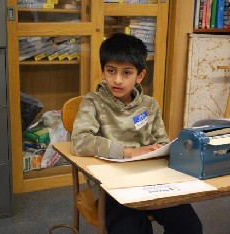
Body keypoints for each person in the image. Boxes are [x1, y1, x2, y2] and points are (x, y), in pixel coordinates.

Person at [71, 32, 202, 234]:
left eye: (126, 73)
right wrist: (128, 151)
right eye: (111, 71)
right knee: (133, 229)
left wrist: (165, 151)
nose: (117, 79)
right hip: (111, 186)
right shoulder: (93, 102)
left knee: (189, 226)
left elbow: (162, 142)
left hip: (149, 180)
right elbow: (80, 141)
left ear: (140, 75)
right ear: (102, 71)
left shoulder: (149, 105)